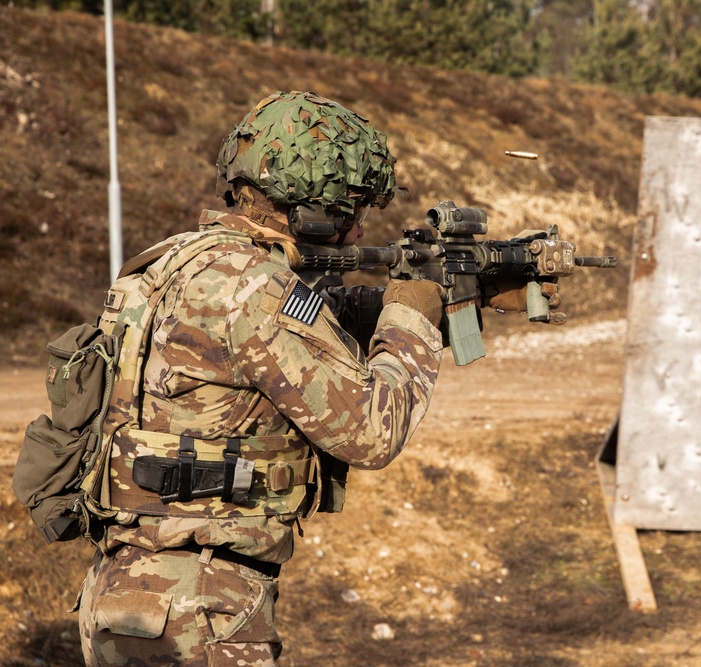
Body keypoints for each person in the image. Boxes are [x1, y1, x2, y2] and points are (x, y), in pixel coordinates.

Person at [75, 91, 448, 666]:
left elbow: (286, 336)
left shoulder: (186, 259)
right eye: (350, 211)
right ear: (309, 210)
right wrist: (413, 317)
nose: (355, 235)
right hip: (198, 610)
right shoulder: (258, 289)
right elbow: (372, 431)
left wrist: (442, 295)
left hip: (137, 591)